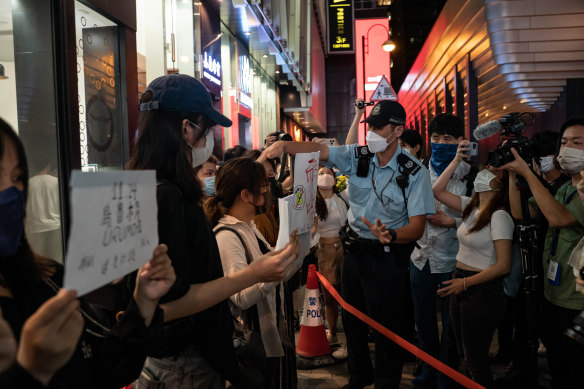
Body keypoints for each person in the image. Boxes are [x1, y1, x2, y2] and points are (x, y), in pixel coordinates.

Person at [128, 74, 299, 389]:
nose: (210, 142)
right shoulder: (167, 197)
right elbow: (164, 307)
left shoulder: (140, 188)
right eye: (206, 130)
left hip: (174, 364)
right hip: (184, 369)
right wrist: (252, 274)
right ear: (185, 128)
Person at [265, 100, 435, 389]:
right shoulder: (360, 156)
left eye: (380, 128)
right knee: (352, 321)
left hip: (386, 256)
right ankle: (359, 376)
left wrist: (391, 236)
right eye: (372, 127)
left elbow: (418, 226)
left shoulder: (414, 172)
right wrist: (286, 147)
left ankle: (385, 381)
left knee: (385, 327)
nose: (372, 133)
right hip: (354, 252)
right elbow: (321, 150)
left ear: (398, 131)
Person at [0, 117, 176, 388]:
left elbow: (104, 369)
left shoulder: (47, 278)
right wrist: (30, 371)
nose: (11, 191)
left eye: (17, 177)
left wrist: (143, 302)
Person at [501, 118, 584, 388]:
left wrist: (527, 173)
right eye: (564, 142)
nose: (568, 147)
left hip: (576, 300)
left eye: (577, 142)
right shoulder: (565, 187)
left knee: (575, 370)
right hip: (552, 295)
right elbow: (521, 212)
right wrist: (514, 174)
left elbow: (560, 219)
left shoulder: (582, 191)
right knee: (559, 367)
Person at [205, 157, 294, 389]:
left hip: (269, 335)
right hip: (253, 345)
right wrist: (270, 274)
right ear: (246, 195)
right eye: (262, 189)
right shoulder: (227, 236)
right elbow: (240, 296)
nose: (266, 195)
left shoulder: (249, 226)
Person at [433, 141, 513, 388]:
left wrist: (465, 283)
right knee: (464, 355)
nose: (487, 169)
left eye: (495, 169)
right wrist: (456, 160)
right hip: (462, 282)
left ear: (502, 181)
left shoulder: (500, 215)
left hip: (482, 290)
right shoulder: (471, 205)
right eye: (487, 165)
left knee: (475, 359)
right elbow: (438, 190)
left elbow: (503, 266)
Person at [409, 113, 469, 389]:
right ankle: (428, 368)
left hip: (454, 260)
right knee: (424, 322)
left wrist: (452, 221)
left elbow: (486, 217)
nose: (440, 143)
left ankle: (447, 373)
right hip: (420, 258)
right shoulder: (416, 170)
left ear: (460, 141)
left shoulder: (472, 174)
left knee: (452, 325)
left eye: (447, 139)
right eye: (435, 138)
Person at [315, 166, 348, 344]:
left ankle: (352, 333)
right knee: (329, 295)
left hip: (344, 249)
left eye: (328, 173)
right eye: (321, 173)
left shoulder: (342, 198)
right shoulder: (312, 202)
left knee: (348, 294)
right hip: (325, 252)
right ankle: (333, 331)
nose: (325, 176)